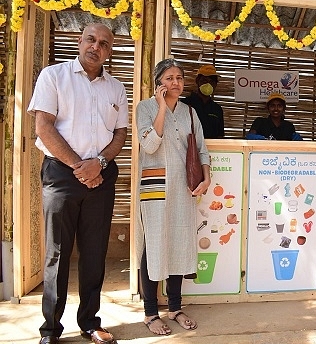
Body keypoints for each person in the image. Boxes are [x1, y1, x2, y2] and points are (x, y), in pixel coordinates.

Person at [27, 23, 128, 344]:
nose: (96, 47)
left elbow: (120, 135)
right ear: (79, 40)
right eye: (90, 39)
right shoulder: (53, 77)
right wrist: (79, 166)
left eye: (104, 44)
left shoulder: (116, 88)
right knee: (57, 252)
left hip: (101, 174)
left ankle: (89, 321)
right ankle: (50, 330)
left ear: (110, 51)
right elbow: (44, 126)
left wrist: (97, 164)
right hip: (61, 174)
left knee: (95, 252)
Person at [135, 58, 212, 335]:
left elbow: (202, 149)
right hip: (154, 185)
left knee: (179, 241)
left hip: (183, 186)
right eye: (168, 78)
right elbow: (150, 143)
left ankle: (175, 307)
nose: (175, 83)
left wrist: (206, 177)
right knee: (153, 244)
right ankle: (150, 312)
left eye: (179, 77)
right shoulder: (144, 108)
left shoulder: (190, 112)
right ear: (158, 82)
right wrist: (159, 108)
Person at [181, 64, 225, 139]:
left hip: (210, 149)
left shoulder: (217, 109)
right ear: (197, 81)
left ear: (216, 84)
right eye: (204, 80)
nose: (208, 84)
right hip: (189, 148)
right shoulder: (184, 104)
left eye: (212, 81)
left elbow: (220, 135)